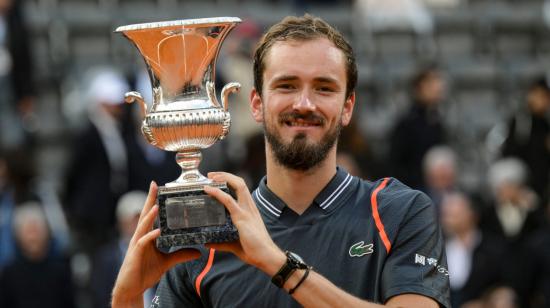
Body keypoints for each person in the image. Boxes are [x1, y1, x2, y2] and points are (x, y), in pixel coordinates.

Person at [111, 15, 450, 308]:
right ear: (256, 103)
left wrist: (276, 263)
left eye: (324, 88)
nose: (304, 103)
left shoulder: (399, 213)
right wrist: (126, 297)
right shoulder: (206, 235)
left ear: (347, 107)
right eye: (286, 86)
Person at [389, 64, 447, 190]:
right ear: (419, 88)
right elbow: (396, 165)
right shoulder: (406, 124)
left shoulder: (437, 122)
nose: (438, 87)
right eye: (431, 83)